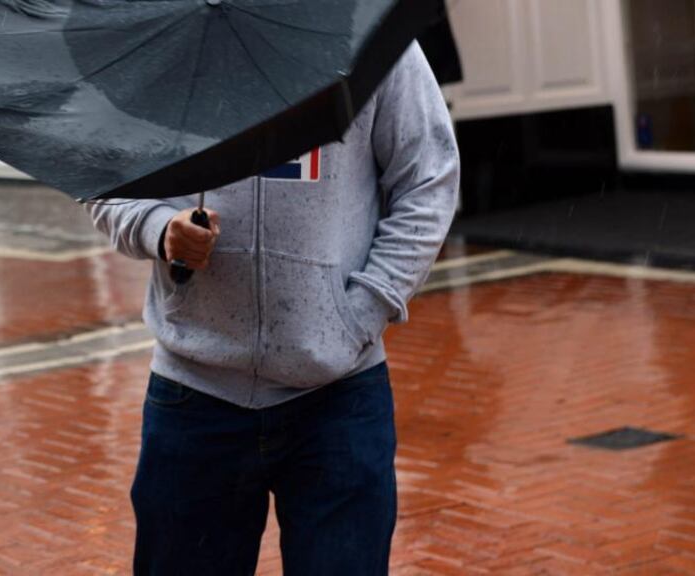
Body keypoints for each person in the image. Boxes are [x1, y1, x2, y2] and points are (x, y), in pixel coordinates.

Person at [87, 42, 459, 575]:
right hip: (194, 396)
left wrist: (359, 313)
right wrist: (157, 228)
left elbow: (429, 176)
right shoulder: (170, 29)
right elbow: (101, 172)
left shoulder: (368, 26)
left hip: (339, 398)